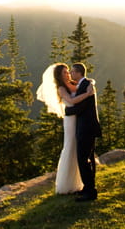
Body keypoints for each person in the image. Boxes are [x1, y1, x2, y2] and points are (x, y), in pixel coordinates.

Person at [36, 62, 94, 194]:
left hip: (78, 119)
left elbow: (85, 82)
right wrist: (87, 94)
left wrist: (91, 85)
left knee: (79, 150)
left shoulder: (73, 84)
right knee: (70, 147)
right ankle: (67, 184)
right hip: (70, 121)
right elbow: (72, 101)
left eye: (68, 71)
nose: (67, 73)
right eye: (64, 72)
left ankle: (80, 182)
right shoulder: (61, 88)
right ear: (59, 76)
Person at [65, 62, 102, 202]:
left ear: (79, 73)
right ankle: (88, 188)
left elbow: (80, 107)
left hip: (86, 128)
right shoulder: (86, 83)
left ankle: (90, 192)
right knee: (88, 158)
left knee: (83, 159)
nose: (71, 74)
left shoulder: (86, 85)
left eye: (73, 72)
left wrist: (67, 111)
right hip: (87, 127)